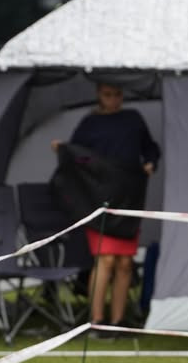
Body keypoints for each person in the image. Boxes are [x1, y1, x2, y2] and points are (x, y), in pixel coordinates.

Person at [51, 83, 160, 338]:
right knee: (105, 259)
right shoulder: (89, 124)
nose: (114, 100)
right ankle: (97, 321)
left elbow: (150, 147)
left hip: (129, 196)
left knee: (124, 263)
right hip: (98, 199)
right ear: (99, 95)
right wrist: (63, 150)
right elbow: (78, 158)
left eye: (118, 94)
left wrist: (150, 162)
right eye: (108, 94)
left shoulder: (133, 119)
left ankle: (118, 321)